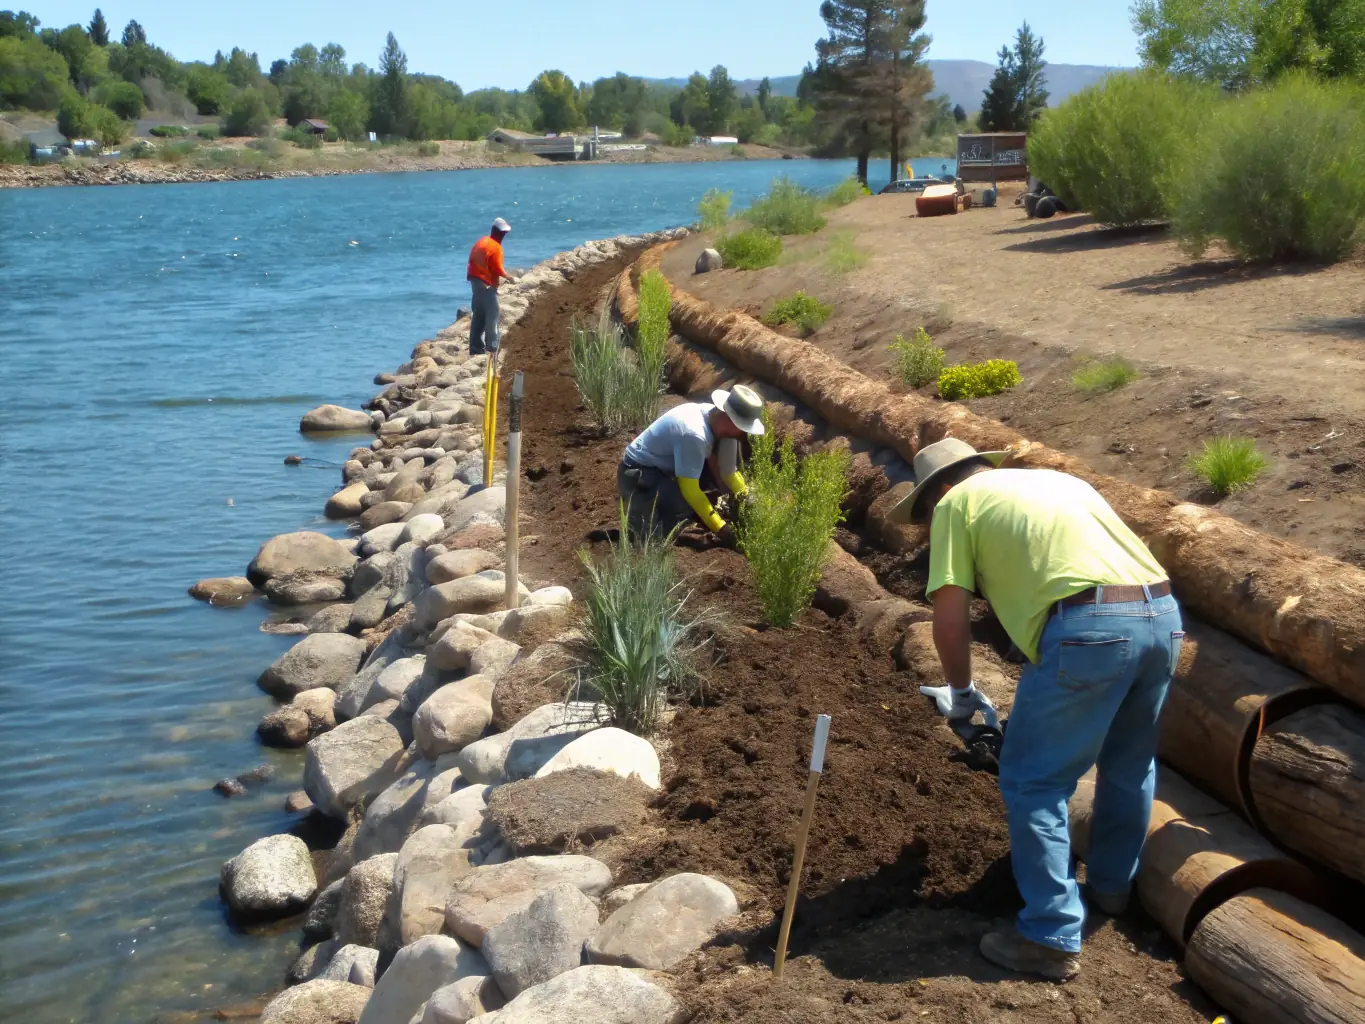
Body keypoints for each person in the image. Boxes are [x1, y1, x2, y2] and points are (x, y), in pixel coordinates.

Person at [890, 438, 1181, 981]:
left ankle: (1049, 934)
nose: (932, 523)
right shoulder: (1060, 482)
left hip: (1090, 628)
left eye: (926, 513)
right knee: (1129, 762)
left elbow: (950, 620)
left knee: (1032, 781)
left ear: (940, 490)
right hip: (1162, 616)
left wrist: (961, 691)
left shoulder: (957, 503)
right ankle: (1113, 889)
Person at [618, 386, 765, 543]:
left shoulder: (718, 422)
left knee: (693, 501)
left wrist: (748, 500)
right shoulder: (694, 433)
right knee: (651, 539)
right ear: (728, 419)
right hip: (639, 472)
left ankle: (677, 507)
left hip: (667, 467)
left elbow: (729, 473)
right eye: (741, 427)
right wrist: (721, 529)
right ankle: (642, 516)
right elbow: (690, 489)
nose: (743, 434)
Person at [466, 218, 515, 357]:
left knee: (479, 313)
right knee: (493, 312)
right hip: (485, 283)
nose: (503, 236)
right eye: (502, 233)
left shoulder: (482, 241)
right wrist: (509, 277)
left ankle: (475, 347)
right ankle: (492, 346)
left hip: (475, 281)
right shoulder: (495, 247)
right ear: (496, 232)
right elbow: (497, 268)